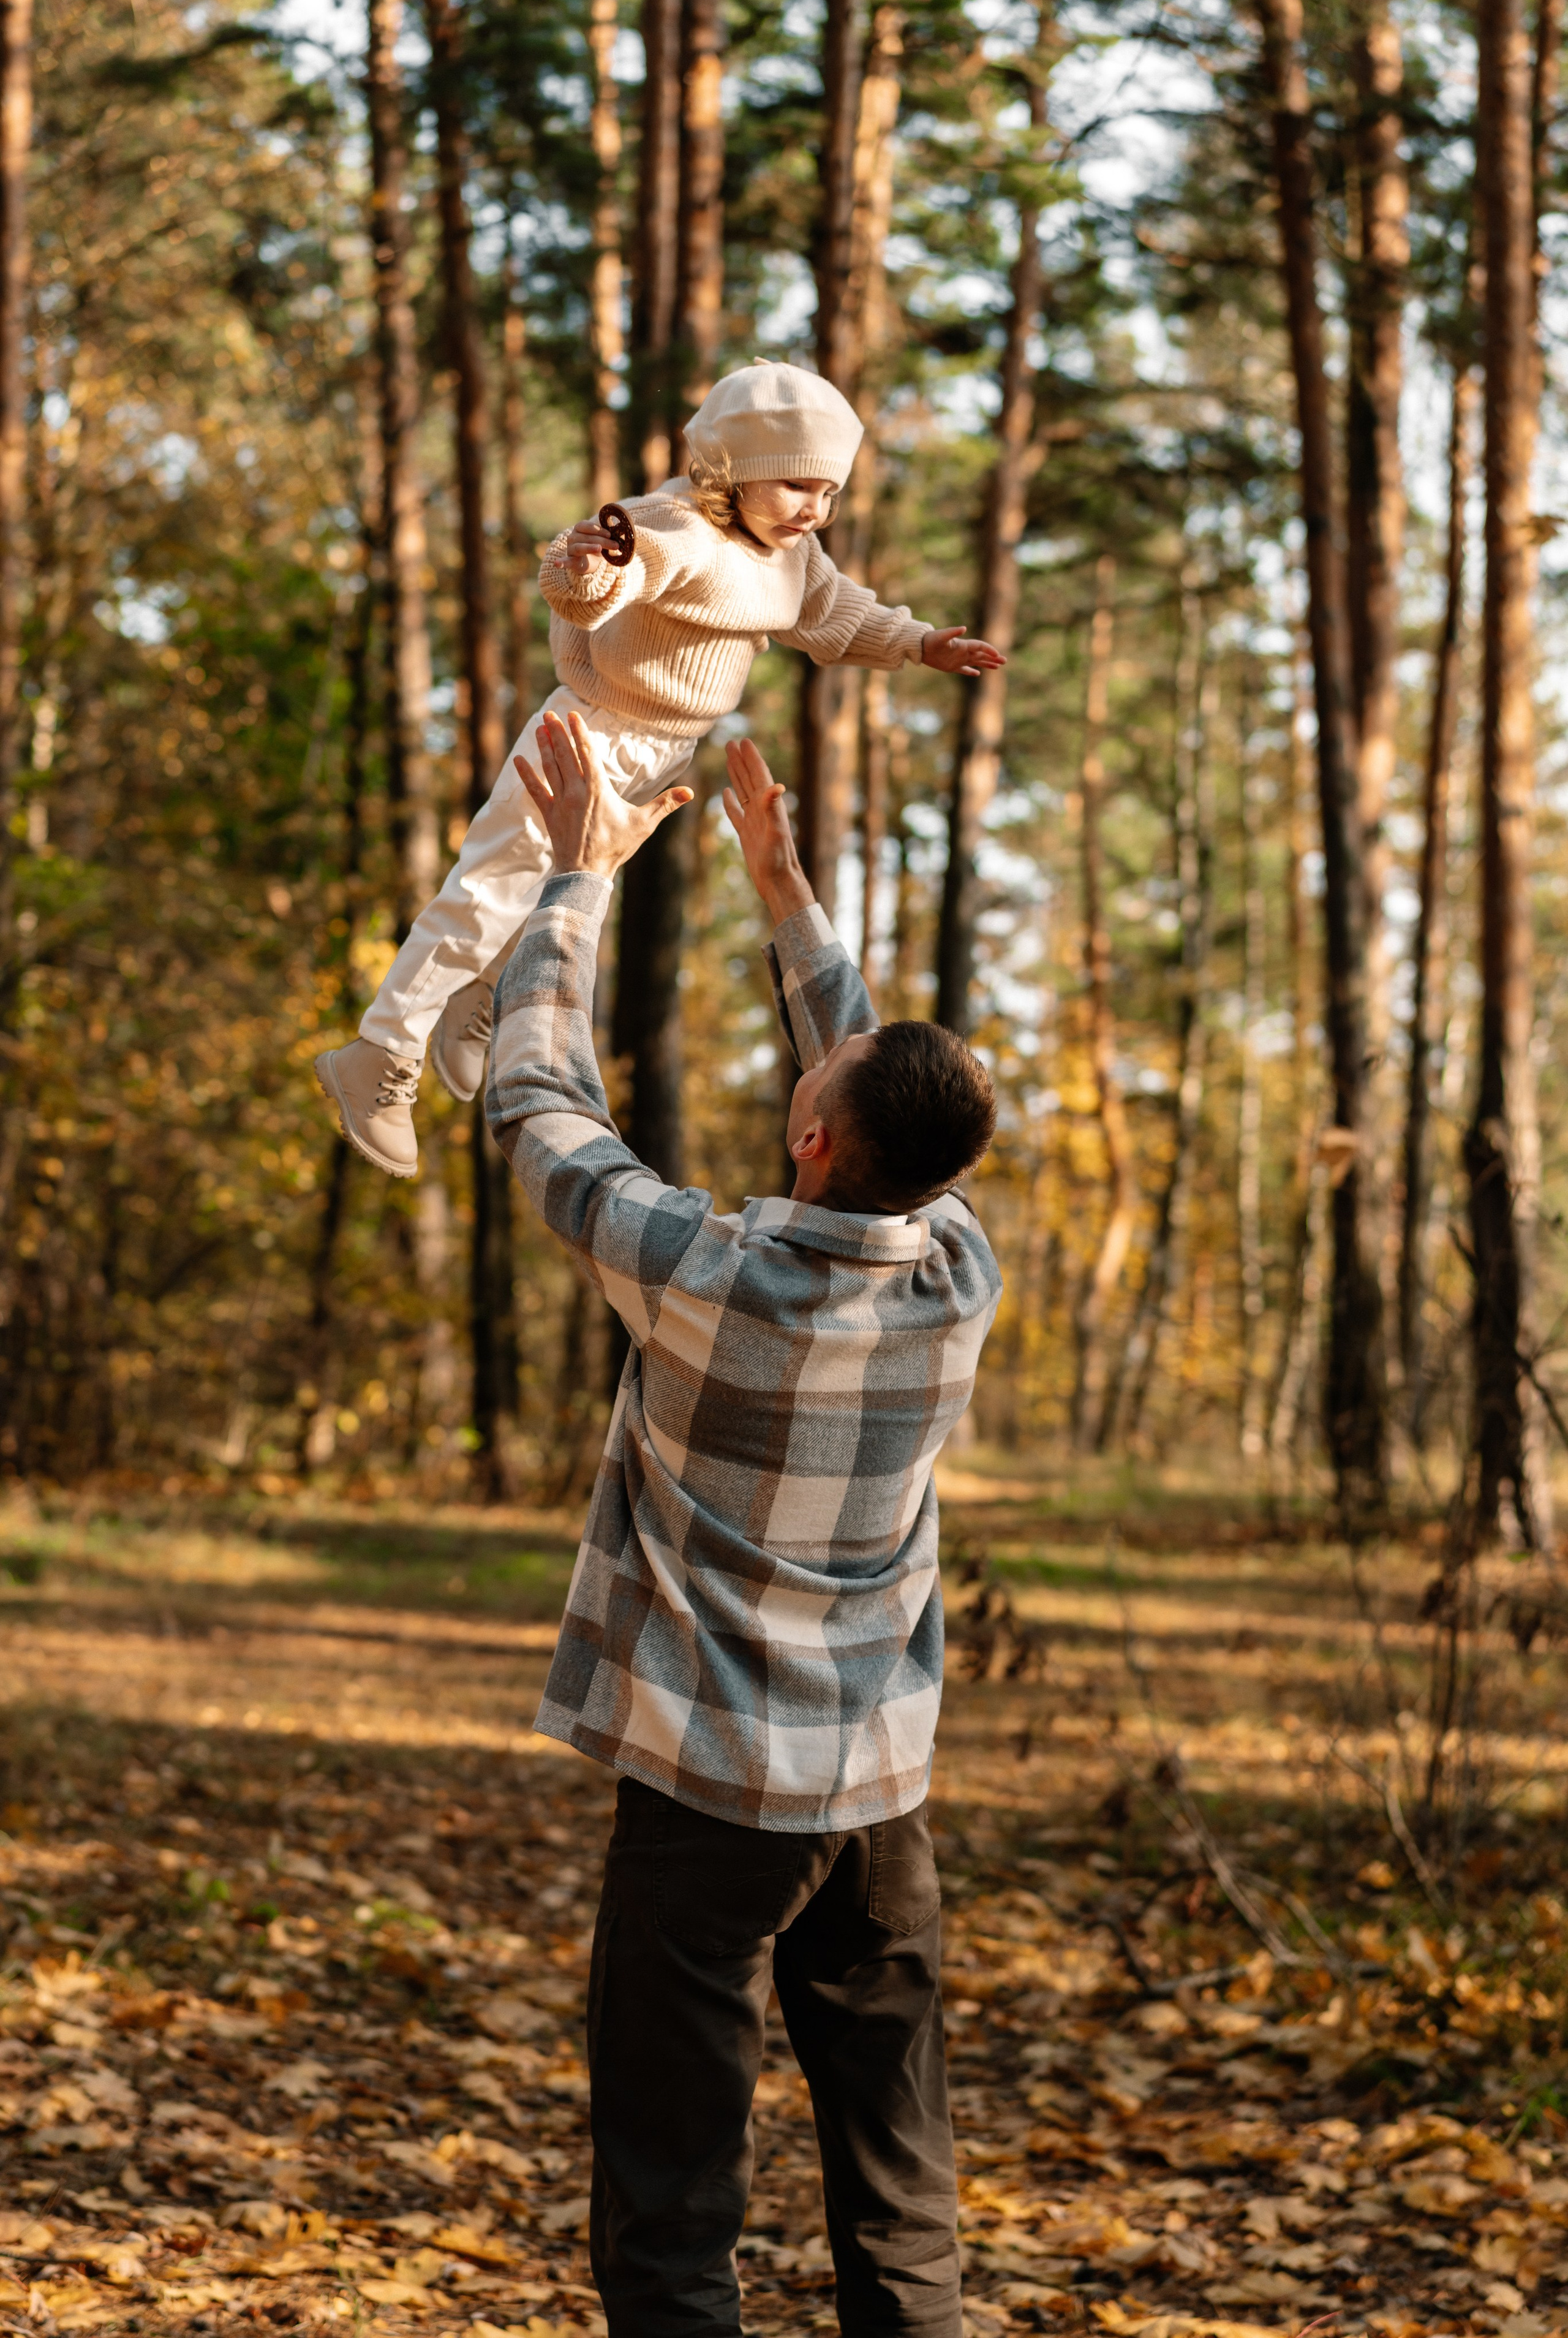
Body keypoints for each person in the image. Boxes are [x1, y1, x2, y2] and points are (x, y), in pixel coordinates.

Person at [486, 705, 1002, 2338]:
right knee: (901, 2182)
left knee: (674, 2195)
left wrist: (575, 883)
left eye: (813, 1076)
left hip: (712, 1795)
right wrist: (787, 894)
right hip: (879, 1802)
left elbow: (539, 1103)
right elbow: (888, 1106)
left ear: (808, 1134)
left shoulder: (706, 1275)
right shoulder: (959, 1268)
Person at [315, 360, 1005, 1179]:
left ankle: (480, 999)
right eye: (793, 485)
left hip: (661, 747)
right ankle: (378, 1054)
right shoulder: (680, 527)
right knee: (491, 889)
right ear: (734, 469)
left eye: (828, 492)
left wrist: (919, 643)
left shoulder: (789, 555)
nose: (813, 509)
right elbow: (604, 575)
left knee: (557, 889)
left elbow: (833, 612)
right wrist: (589, 568)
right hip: (590, 731)